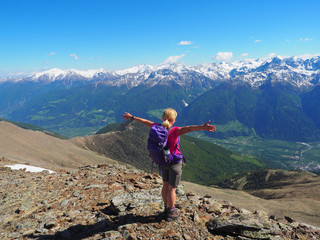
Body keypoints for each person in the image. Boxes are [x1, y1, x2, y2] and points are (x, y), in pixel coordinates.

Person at [122, 108, 216, 221]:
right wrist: (203, 127)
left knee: (166, 185)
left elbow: (144, 121)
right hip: (175, 162)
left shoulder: (156, 127)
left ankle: (166, 208)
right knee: (172, 188)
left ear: (163, 117)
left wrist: (132, 117)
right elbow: (190, 128)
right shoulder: (175, 130)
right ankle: (171, 212)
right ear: (173, 119)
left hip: (163, 162)